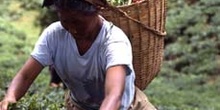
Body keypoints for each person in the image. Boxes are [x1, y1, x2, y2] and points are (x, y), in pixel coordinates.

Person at [0, 0, 156, 110]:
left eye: (78, 22)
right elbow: (25, 76)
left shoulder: (114, 42)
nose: (72, 29)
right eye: (65, 21)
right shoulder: (54, 35)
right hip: (79, 106)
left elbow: (113, 96)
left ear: (96, 11)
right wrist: (10, 97)